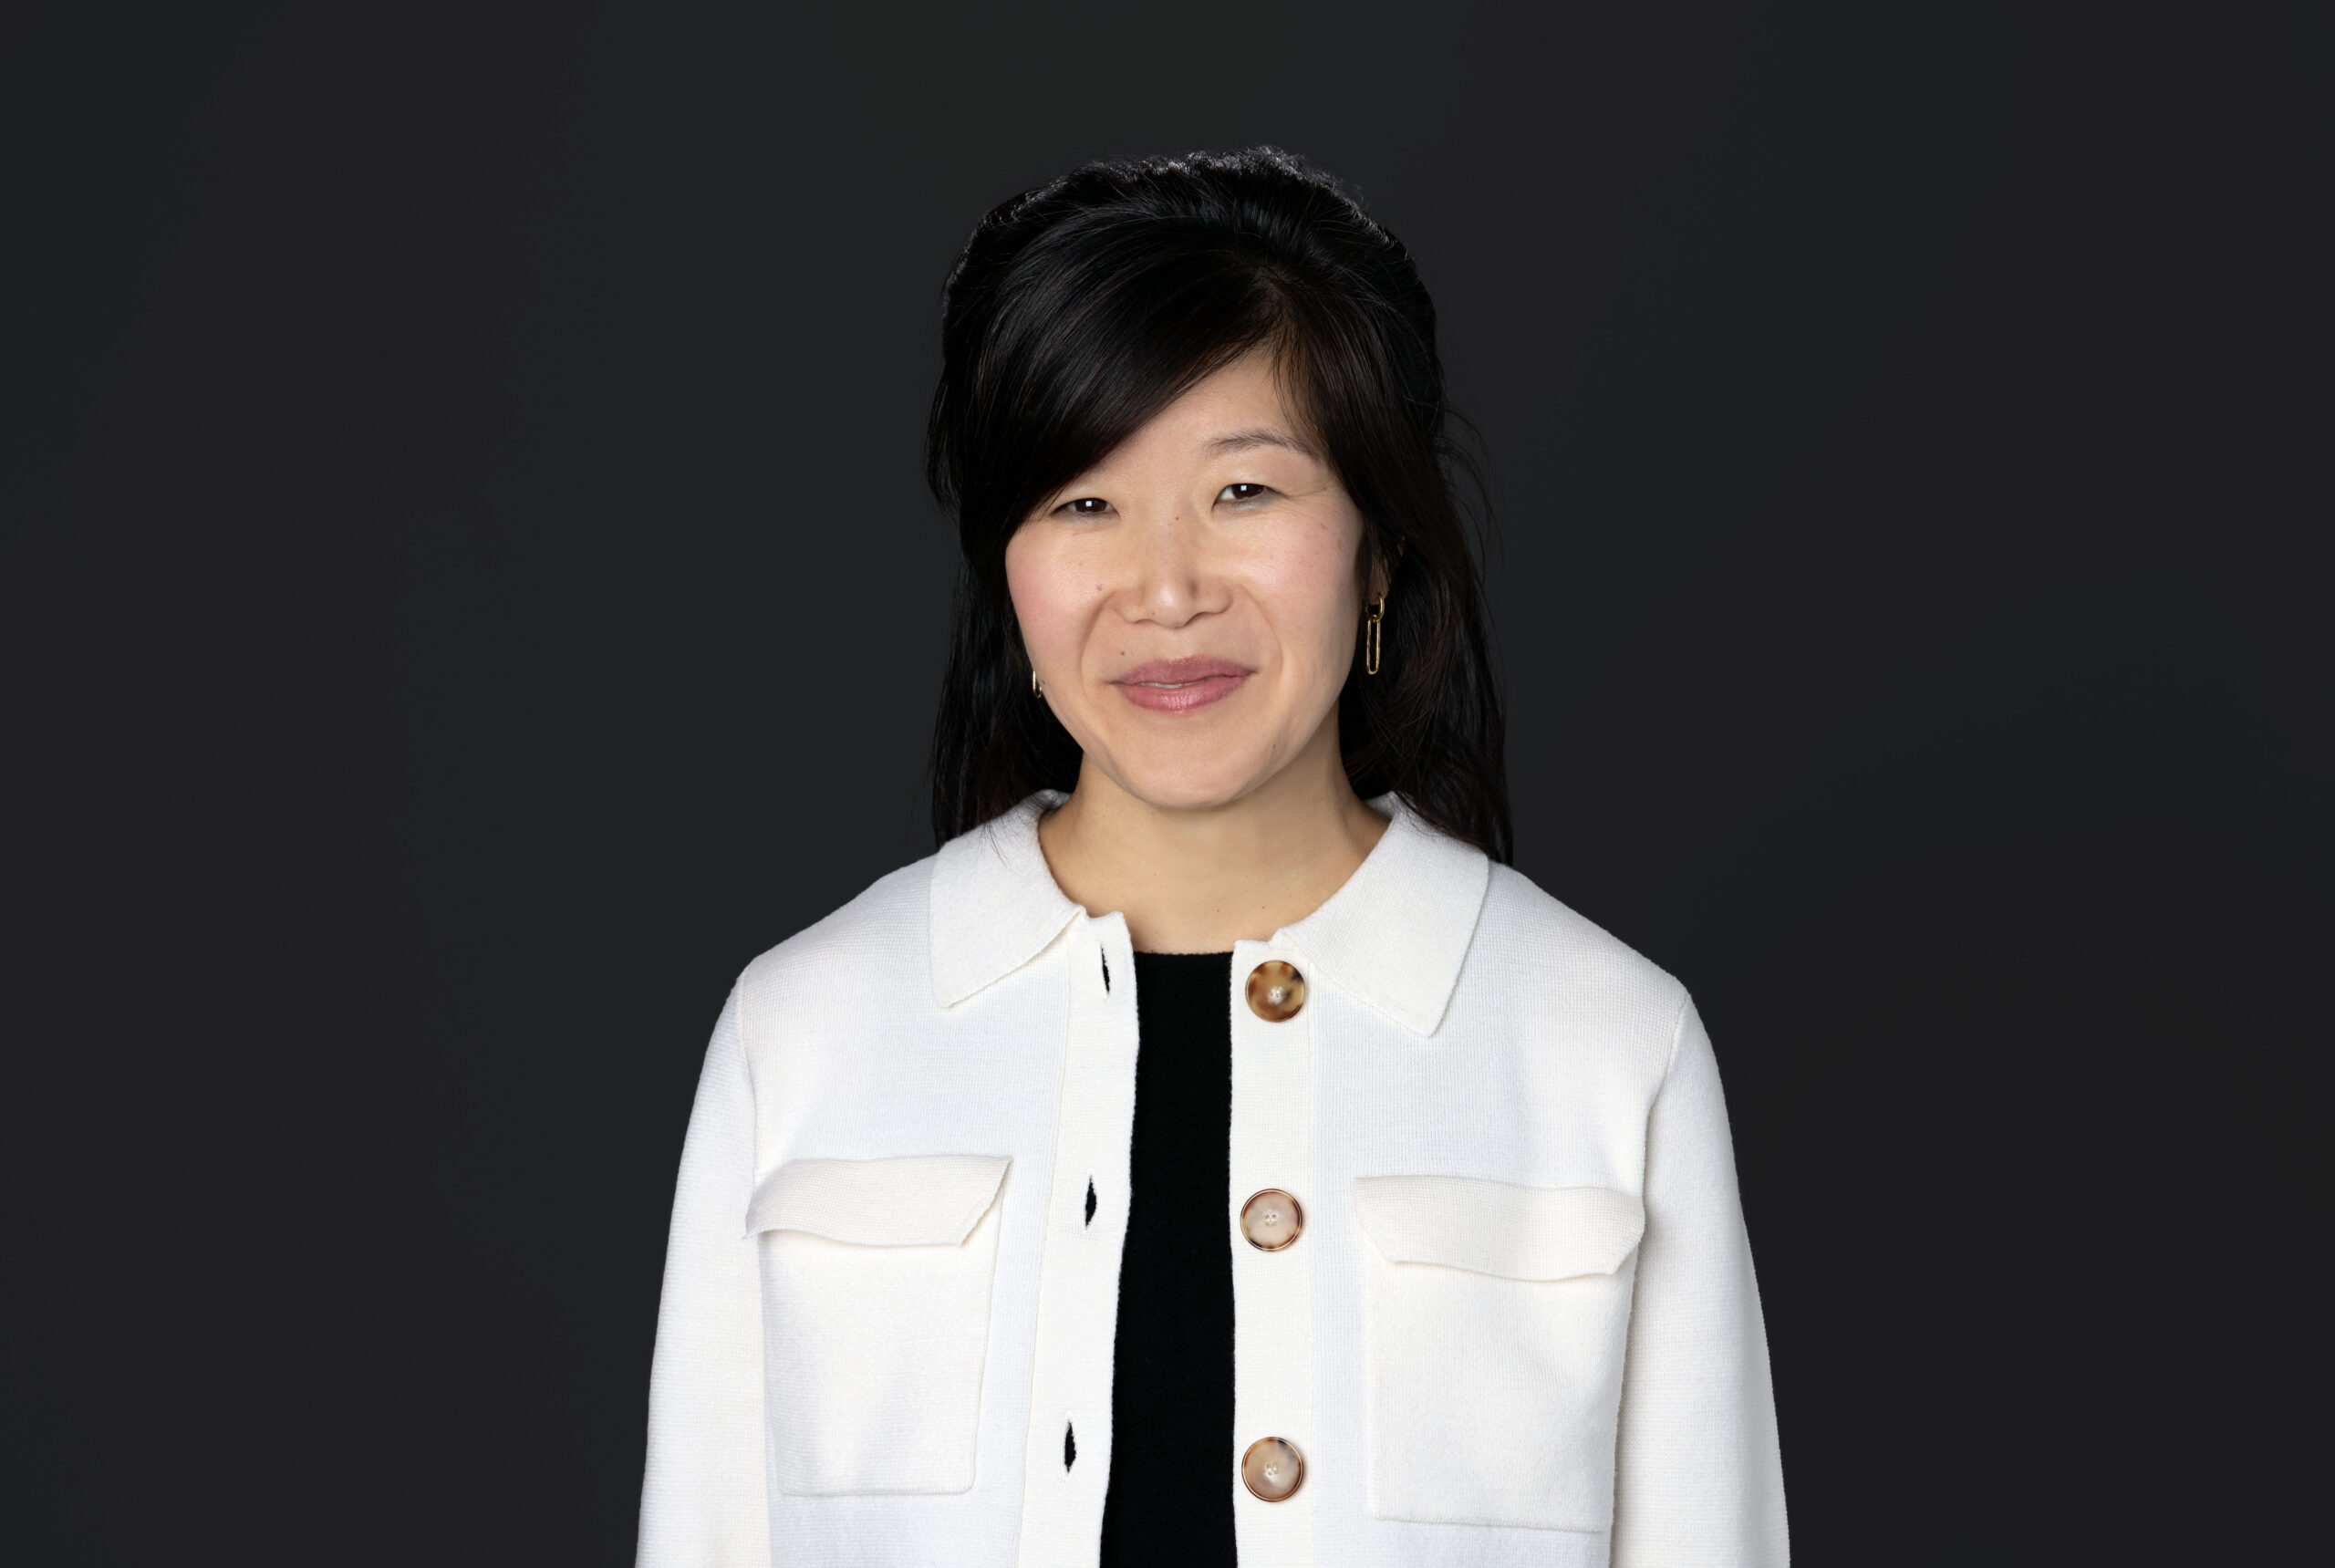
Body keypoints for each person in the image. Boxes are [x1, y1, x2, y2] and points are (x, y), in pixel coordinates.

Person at [635, 148, 1787, 1568]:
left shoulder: (1606, 1048)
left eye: (1245, 491)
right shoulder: (807, 1031)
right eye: (1083, 504)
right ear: (1006, 568)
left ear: (1379, 546)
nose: (1167, 589)